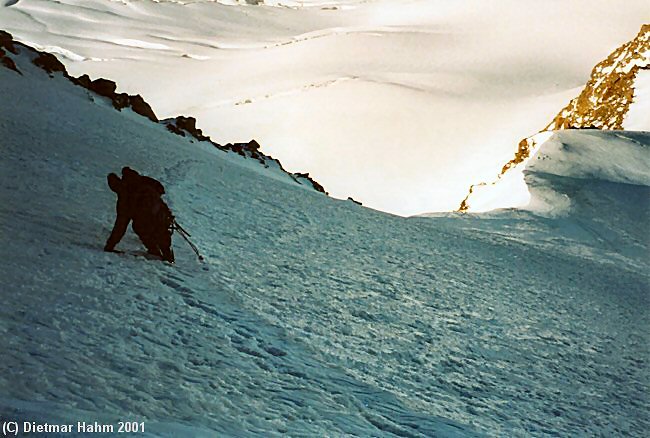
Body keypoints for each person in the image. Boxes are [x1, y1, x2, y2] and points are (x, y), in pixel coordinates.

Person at [104, 167, 175, 263]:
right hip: (159, 213)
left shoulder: (125, 195)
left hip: (146, 217)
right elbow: (159, 198)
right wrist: (167, 213)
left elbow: (120, 225)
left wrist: (110, 245)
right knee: (160, 230)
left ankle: (155, 251)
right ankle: (166, 255)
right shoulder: (143, 182)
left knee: (140, 227)